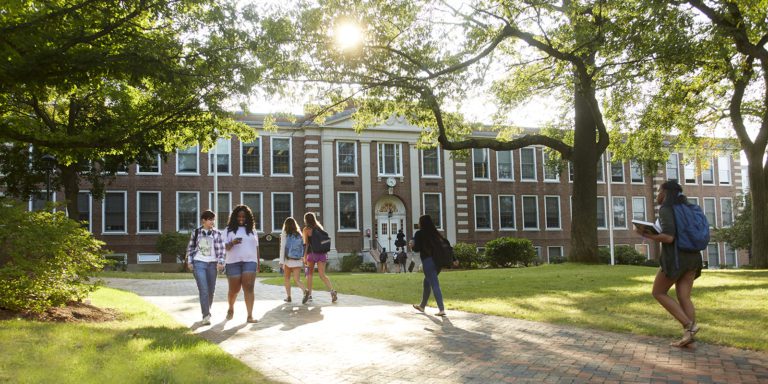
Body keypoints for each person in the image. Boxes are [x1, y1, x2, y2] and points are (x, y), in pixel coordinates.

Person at [635, 180, 703, 347]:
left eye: (659, 190)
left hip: (676, 259)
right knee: (684, 297)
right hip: (693, 257)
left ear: (665, 192)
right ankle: (689, 338)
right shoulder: (688, 207)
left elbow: (668, 237)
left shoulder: (666, 209)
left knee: (658, 292)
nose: (658, 194)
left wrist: (645, 234)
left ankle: (690, 326)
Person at [410, 214, 456, 316]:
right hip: (438, 262)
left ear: (422, 223)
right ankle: (422, 306)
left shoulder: (419, 233)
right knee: (427, 282)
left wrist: (412, 246)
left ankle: (441, 309)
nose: (418, 223)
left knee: (434, 283)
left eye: (419, 221)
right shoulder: (436, 234)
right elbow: (447, 246)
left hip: (428, 261)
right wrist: (454, 259)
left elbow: (417, 248)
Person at [186, 210, 225, 325]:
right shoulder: (196, 232)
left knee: (211, 291)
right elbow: (190, 248)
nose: (212, 222)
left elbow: (222, 250)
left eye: (213, 220)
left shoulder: (217, 233)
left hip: (212, 264)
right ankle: (206, 315)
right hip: (199, 263)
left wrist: (221, 262)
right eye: (210, 219)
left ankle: (207, 311)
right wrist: (189, 261)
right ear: (203, 220)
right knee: (203, 290)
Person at [223, 205, 260, 323]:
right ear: (234, 217)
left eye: (244, 216)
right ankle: (231, 307)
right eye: (239, 216)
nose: (241, 218)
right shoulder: (228, 230)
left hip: (250, 261)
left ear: (248, 217)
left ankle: (250, 316)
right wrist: (232, 243)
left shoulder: (252, 231)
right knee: (234, 290)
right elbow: (225, 248)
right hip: (233, 262)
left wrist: (258, 263)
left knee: (249, 287)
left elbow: (256, 248)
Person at [303, 212, 337, 303]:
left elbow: (306, 244)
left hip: (312, 254)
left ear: (306, 220)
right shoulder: (319, 228)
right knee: (322, 275)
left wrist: (304, 256)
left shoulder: (306, 229)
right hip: (322, 254)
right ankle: (332, 291)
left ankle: (309, 295)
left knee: (309, 274)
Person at [279, 217, 309, 304]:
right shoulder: (299, 234)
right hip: (298, 260)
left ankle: (288, 297)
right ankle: (305, 290)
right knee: (297, 280)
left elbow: (283, 248)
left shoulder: (285, 233)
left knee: (287, 278)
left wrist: (281, 262)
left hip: (288, 260)